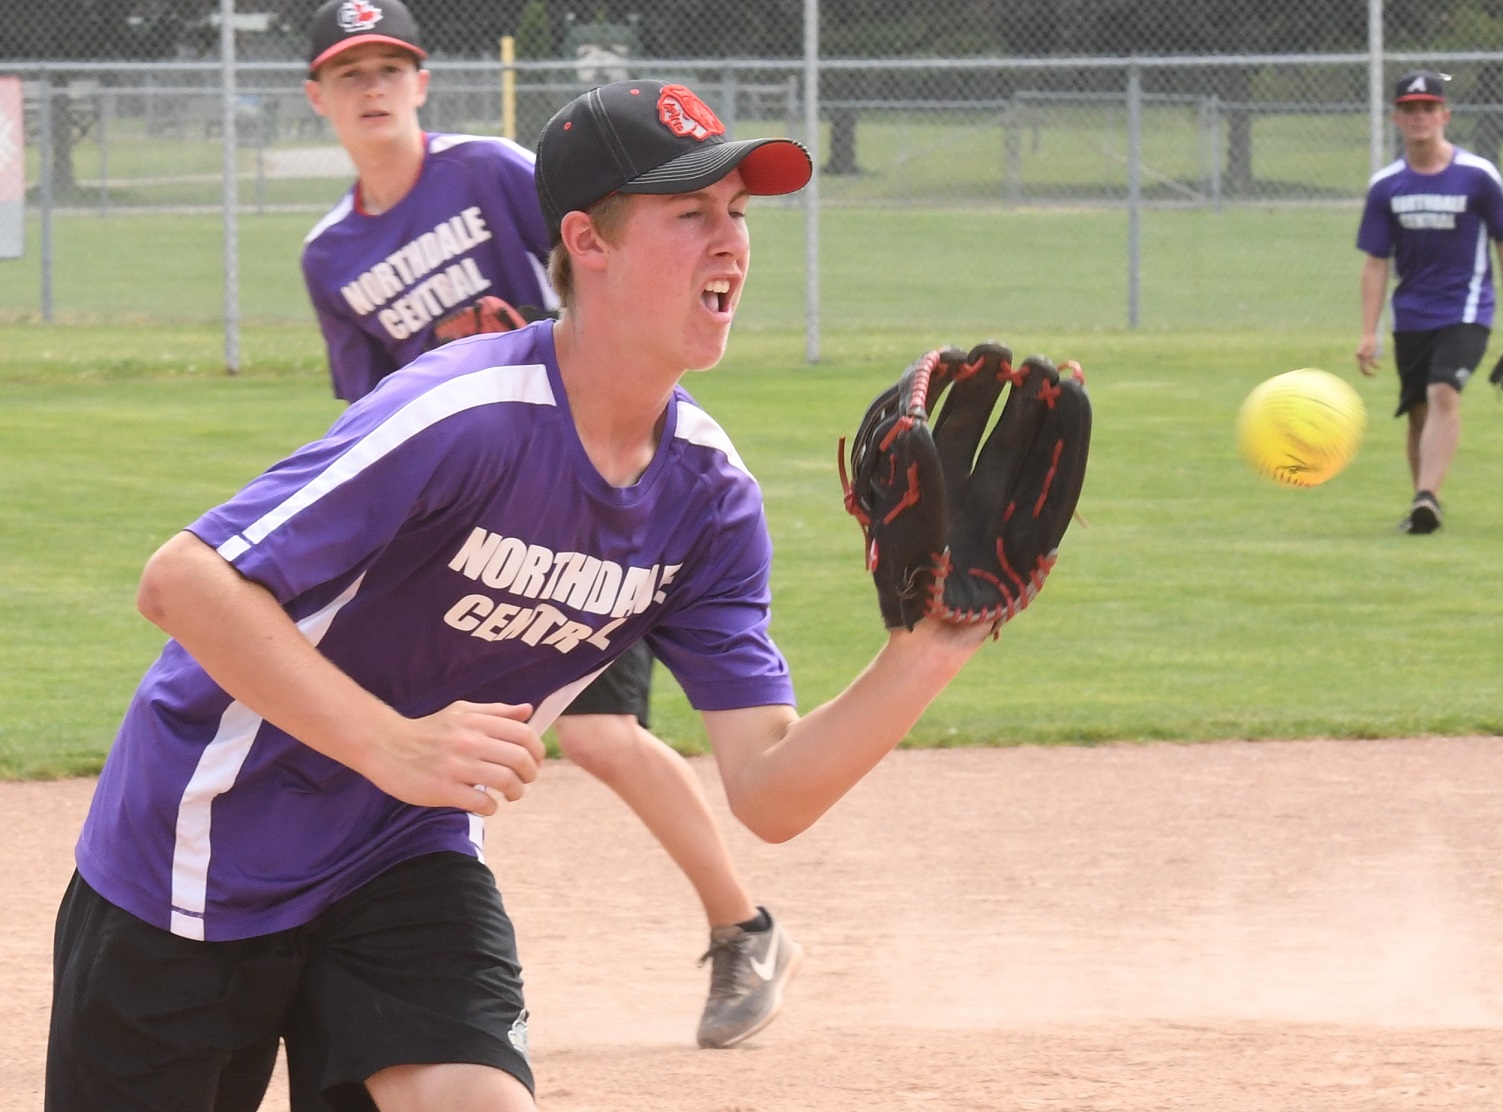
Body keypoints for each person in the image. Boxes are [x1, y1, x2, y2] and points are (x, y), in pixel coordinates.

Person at [45, 75, 991, 1111]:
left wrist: (926, 653)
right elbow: (182, 582)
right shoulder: (464, 415)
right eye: (689, 214)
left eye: (737, 214)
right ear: (588, 242)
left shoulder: (708, 498)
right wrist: (390, 743)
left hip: (403, 850)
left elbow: (767, 788)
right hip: (207, 841)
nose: (729, 242)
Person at [296, 0, 792, 1049]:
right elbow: (370, 406)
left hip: (591, 473)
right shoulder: (331, 249)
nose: (375, 88)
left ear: (423, 82)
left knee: (599, 729)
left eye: (393, 66)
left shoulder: (487, 171)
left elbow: (605, 254)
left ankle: (741, 923)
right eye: (351, 74)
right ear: (320, 99)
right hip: (478, 504)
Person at [1355, 69, 1503, 534]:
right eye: (1411, 110)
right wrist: (1368, 330)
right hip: (1411, 312)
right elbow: (1376, 262)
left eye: (1429, 108)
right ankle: (1424, 512)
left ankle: (1427, 496)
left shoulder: (1476, 177)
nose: (1420, 118)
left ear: (1445, 115)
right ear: (1396, 118)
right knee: (1417, 409)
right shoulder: (1387, 186)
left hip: (1467, 307)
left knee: (1442, 391)